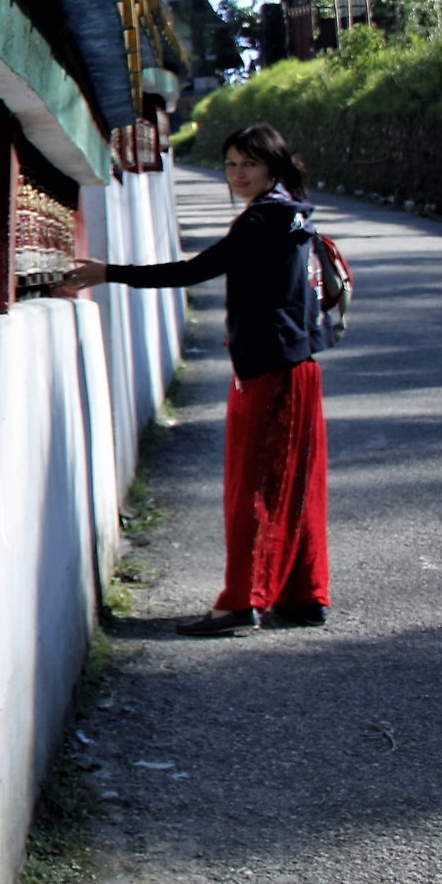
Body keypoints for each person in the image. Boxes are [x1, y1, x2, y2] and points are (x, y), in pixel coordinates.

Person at [67, 123, 330, 637]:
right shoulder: (294, 214)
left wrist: (108, 273)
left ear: (272, 167)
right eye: (231, 164)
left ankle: (242, 603)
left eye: (249, 164)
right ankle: (303, 595)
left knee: (253, 487)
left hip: (271, 370)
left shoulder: (264, 220)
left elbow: (193, 272)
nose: (238, 174)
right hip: (297, 366)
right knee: (296, 485)